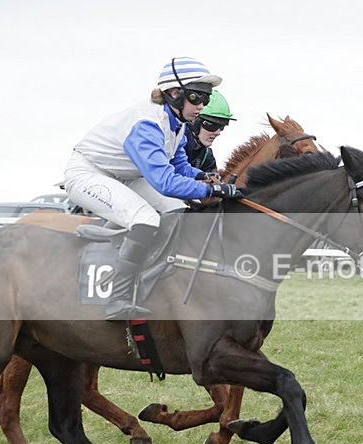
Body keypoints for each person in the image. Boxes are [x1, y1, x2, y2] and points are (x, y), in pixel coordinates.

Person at [64, 57, 243, 320]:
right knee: (146, 218)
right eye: (197, 98)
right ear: (174, 93)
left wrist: (206, 176)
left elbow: (179, 167)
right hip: (88, 174)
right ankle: (118, 299)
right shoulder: (147, 124)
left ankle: (157, 278)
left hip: (124, 176)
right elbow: (165, 182)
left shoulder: (177, 122)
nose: (201, 105)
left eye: (205, 98)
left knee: (178, 210)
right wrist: (210, 191)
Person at [184, 89, 236, 172]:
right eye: (212, 125)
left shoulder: (207, 156)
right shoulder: (174, 142)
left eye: (221, 127)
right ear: (194, 122)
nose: (218, 133)